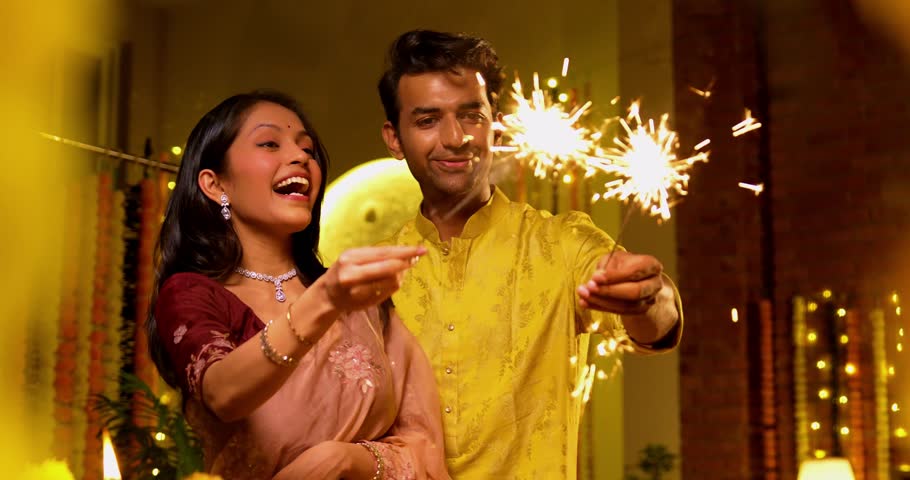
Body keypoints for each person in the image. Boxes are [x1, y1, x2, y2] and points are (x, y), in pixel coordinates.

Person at [377, 30, 683, 479]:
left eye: (471, 116)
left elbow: (656, 322)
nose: (455, 137)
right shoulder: (371, 274)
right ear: (394, 138)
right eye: (427, 120)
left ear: (495, 125)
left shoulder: (561, 242)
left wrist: (647, 298)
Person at [147, 90, 450, 480]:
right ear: (214, 184)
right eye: (269, 143)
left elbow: (423, 447)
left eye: (306, 149)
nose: (299, 157)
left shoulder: (363, 302)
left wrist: (347, 460)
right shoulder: (192, 295)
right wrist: (324, 301)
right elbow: (222, 394)